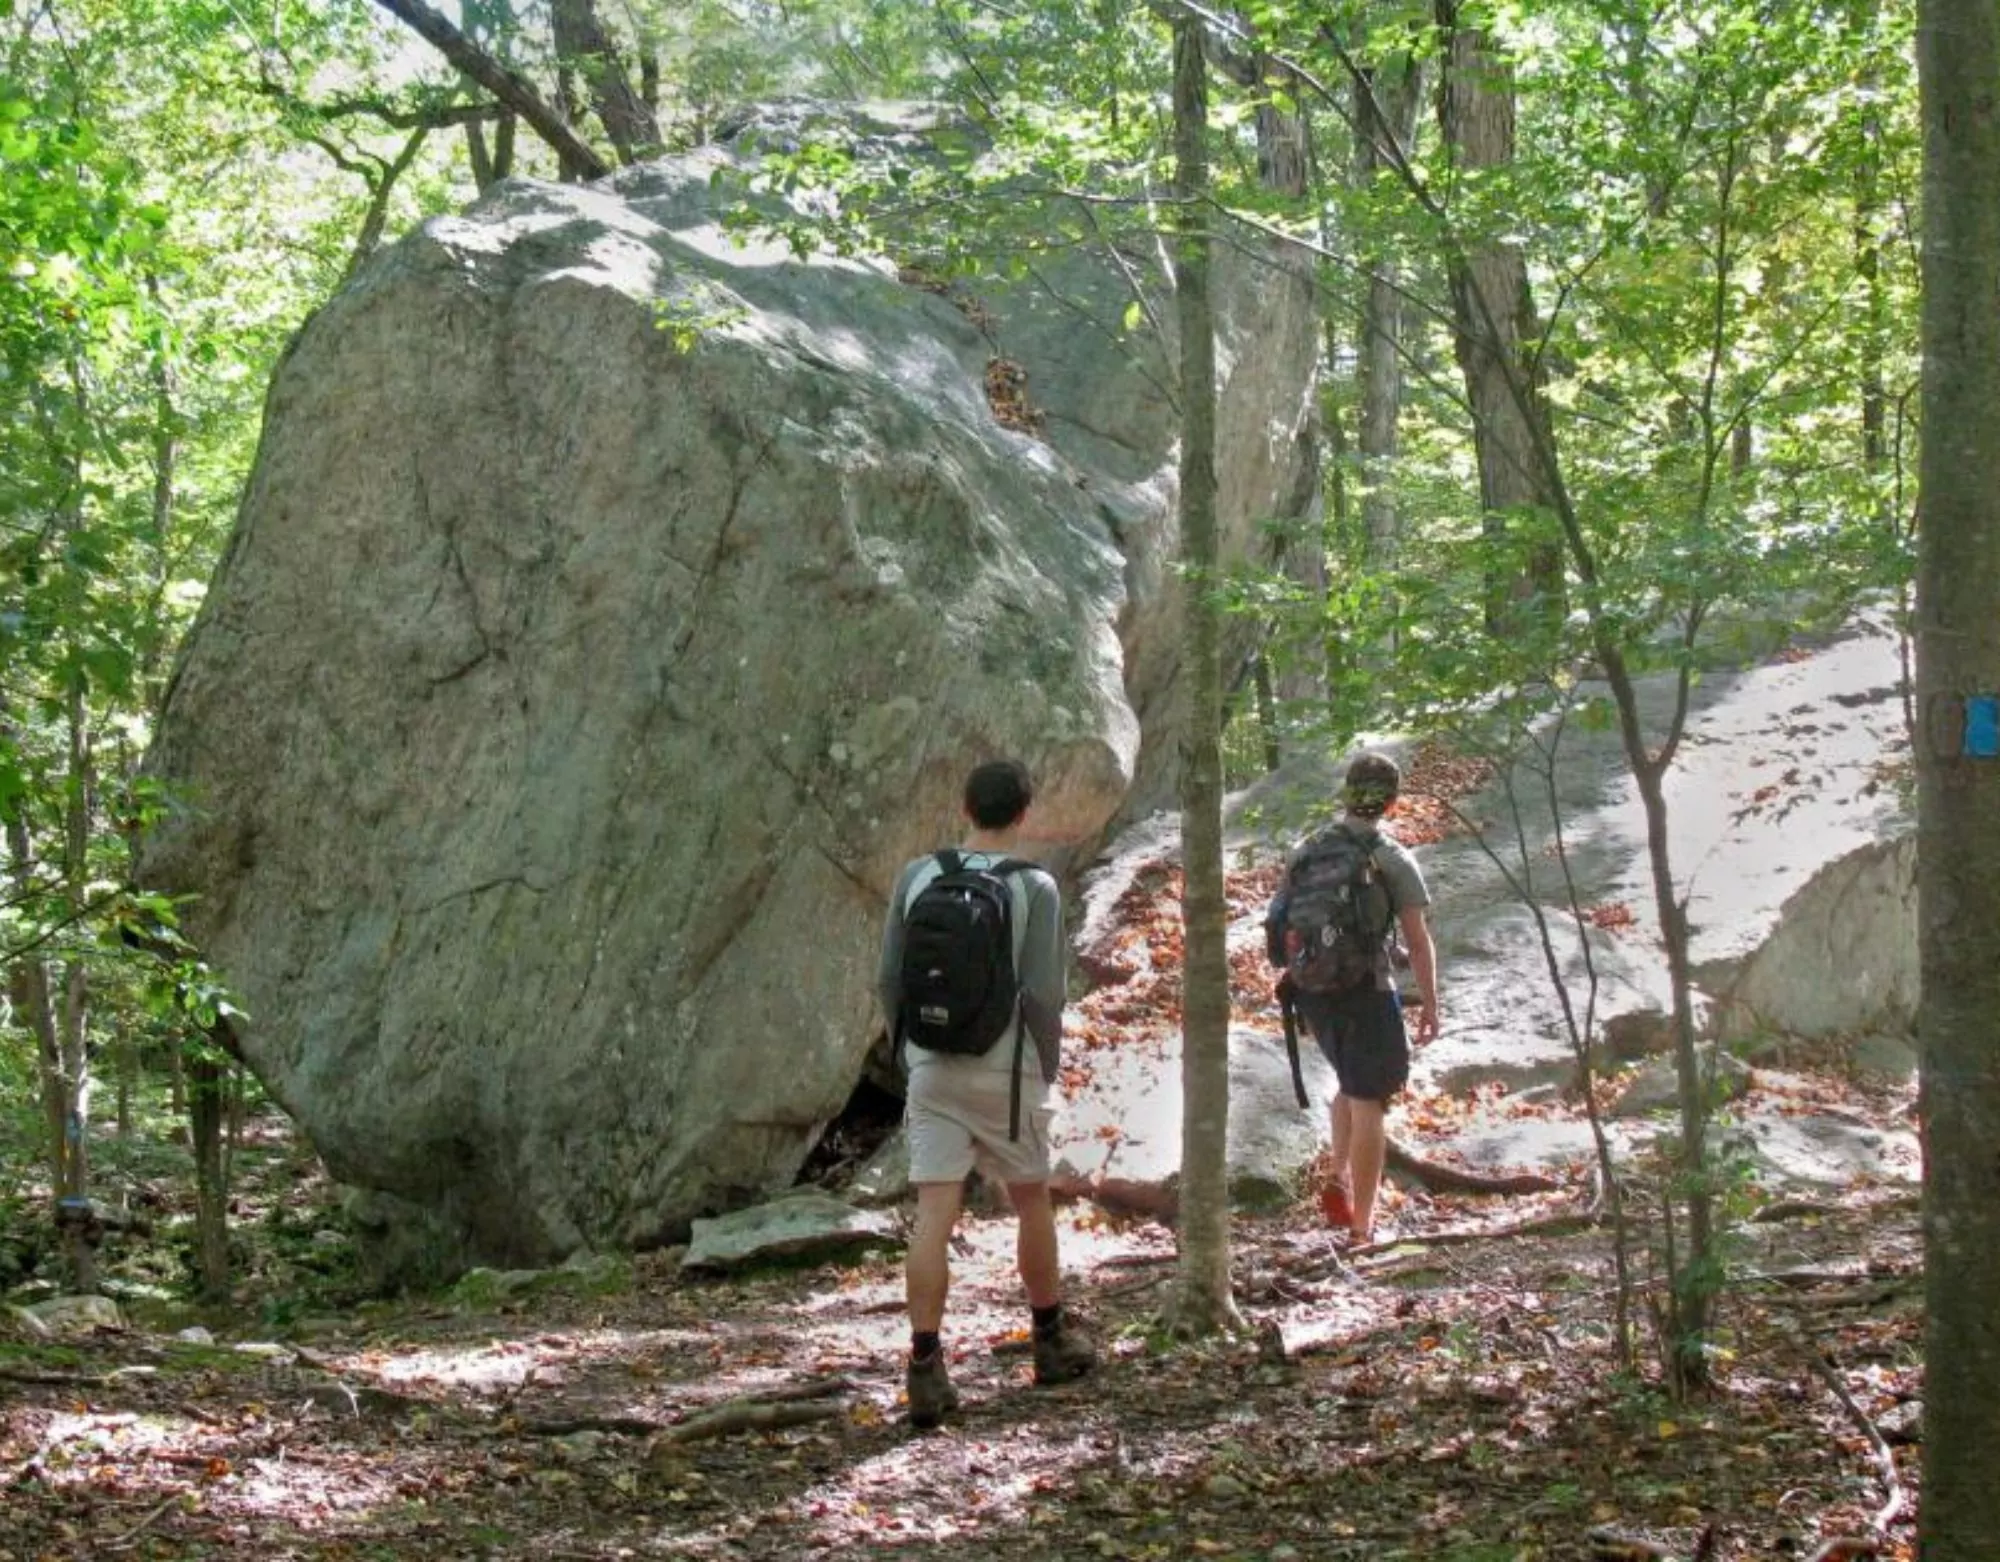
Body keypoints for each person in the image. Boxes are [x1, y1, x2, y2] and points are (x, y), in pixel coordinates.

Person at [877, 758, 1096, 1429]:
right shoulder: (1034, 886)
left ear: (965, 807)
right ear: (1025, 814)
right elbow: (1046, 994)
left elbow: (890, 980)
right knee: (1031, 1198)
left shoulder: (919, 876)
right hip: (1008, 1073)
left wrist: (911, 1054)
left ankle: (924, 1366)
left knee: (933, 1211)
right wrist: (1044, 1069)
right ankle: (1050, 1339)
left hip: (931, 1065)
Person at [1266, 751, 1440, 1246]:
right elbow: (1419, 938)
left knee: (1349, 1080)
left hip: (1312, 990)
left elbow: (1282, 924)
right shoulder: (1390, 857)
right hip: (1366, 989)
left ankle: (1338, 1176)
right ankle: (1363, 1227)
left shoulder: (1306, 850)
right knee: (1370, 1102)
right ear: (1391, 801)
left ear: (1347, 793)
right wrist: (1430, 1003)